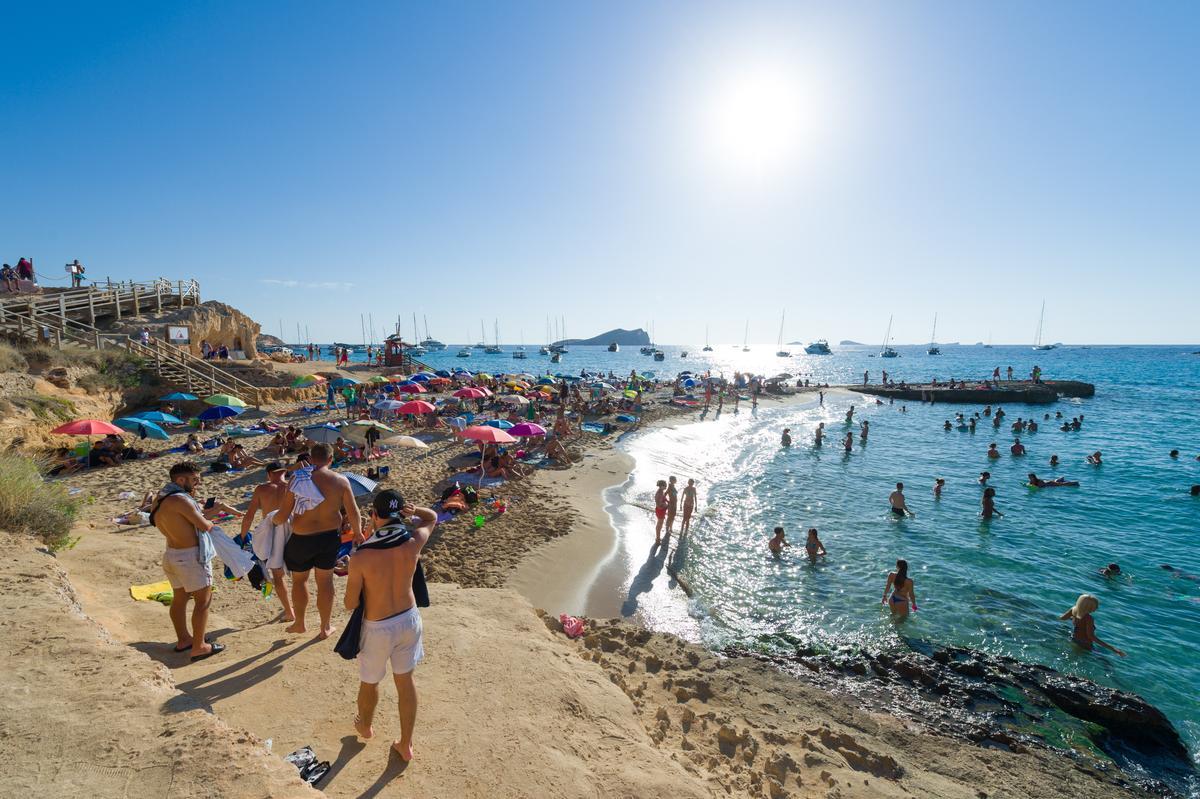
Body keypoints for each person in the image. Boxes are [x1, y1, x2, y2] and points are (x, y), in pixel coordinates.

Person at [346, 490, 436, 761]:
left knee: (370, 681)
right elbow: (431, 518)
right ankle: (405, 744)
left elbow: (351, 603)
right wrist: (415, 510)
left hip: (378, 626)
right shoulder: (413, 542)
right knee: (405, 681)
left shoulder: (362, 556)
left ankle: (365, 726)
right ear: (401, 514)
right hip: (408, 618)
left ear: (374, 515)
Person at [277, 443, 361, 639]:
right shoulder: (340, 481)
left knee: (299, 581)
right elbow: (353, 510)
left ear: (311, 459)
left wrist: (272, 522)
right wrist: (357, 532)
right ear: (331, 459)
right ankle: (325, 627)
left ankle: (299, 623)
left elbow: (283, 514)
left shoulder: (298, 479)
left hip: (301, 538)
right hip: (328, 538)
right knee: (325, 581)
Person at [150, 462, 224, 660]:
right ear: (180, 480)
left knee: (180, 599)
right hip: (191, 556)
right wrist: (213, 515)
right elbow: (204, 526)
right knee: (203, 601)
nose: (197, 483)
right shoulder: (182, 500)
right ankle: (199, 646)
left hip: (172, 554)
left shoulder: (161, 498)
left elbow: (182, 521)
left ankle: (184, 640)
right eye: (194, 479)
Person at [240, 462, 295, 622]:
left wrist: (243, 536)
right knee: (299, 576)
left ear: (268, 474)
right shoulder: (292, 487)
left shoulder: (261, 489)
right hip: (293, 532)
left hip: (272, 534)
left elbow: (249, 515)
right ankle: (297, 608)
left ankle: (290, 611)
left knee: (278, 576)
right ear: (284, 472)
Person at [1059, 594, 1125, 656]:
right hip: (1085, 644)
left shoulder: (1073, 610)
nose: (1096, 608)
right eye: (1095, 607)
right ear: (1088, 608)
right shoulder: (1089, 618)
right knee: (1104, 661)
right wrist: (1113, 649)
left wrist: (1073, 619)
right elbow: (1091, 636)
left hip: (1074, 639)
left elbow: (1062, 618)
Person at [653, 480, 668, 546]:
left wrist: (667, 502)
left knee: (660, 524)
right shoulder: (659, 493)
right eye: (665, 485)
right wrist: (666, 505)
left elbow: (662, 500)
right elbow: (658, 504)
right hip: (660, 510)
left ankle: (658, 538)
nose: (666, 487)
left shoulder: (661, 491)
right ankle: (657, 540)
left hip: (661, 510)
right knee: (659, 525)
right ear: (661, 486)